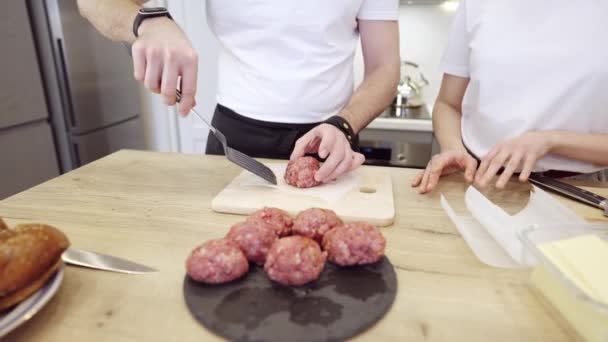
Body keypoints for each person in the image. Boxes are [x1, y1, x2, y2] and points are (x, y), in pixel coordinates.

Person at [76, 0, 400, 183]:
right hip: (235, 139)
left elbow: (384, 68)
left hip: (332, 138)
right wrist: (149, 22)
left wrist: (343, 125)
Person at [412, 0, 608, 193]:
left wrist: (552, 140)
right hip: (478, 179)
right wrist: (452, 148)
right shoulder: (476, 4)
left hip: (583, 189)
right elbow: (448, 104)